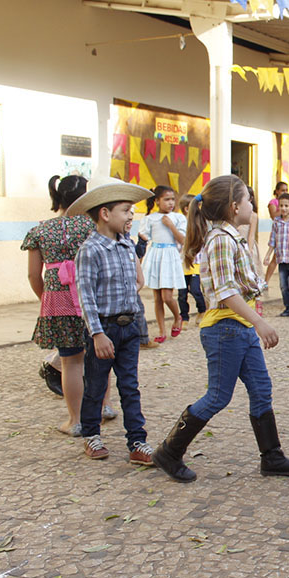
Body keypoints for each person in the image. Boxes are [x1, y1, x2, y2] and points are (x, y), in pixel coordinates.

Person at [151, 175, 289, 483]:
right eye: (249, 200)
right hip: (225, 329)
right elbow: (225, 291)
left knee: (261, 389)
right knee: (218, 396)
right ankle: (169, 451)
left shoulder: (230, 235)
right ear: (236, 207)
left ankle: (272, 457)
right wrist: (261, 322)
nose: (253, 205)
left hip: (240, 327)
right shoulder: (221, 239)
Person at [69, 178, 155, 464]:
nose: (131, 216)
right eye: (126, 210)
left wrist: (137, 322)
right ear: (105, 214)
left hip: (128, 327)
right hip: (103, 330)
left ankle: (137, 441)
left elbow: (133, 285)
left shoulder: (127, 246)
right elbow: (86, 297)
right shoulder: (90, 250)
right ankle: (91, 435)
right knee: (95, 385)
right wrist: (96, 334)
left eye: (132, 211)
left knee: (130, 385)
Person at [22, 175, 94, 436]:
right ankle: (104, 407)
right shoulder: (92, 226)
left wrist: (47, 297)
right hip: (90, 298)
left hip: (57, 302)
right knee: (98, 356)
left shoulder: (40, 230)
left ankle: (75, 421)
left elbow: (33, 274)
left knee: (71, 362)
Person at [139, 185, 185, 343]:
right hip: (155, 255)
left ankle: (178, 317)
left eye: (173, 199)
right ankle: (161, 330)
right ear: (157, 201)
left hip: (169, 256)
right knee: (157, 297)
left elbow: (183, 240)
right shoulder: (149, 219)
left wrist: (171, 225)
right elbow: (144, 238)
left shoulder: (178, 218)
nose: (171, 202)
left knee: (167, 296)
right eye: (166, 199)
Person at [176, 193, 206, 328]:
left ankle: (202, 309)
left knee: (195, 290)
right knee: (182, 294)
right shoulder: (179, 223)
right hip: (182, 263)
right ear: (187, 209)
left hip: (196, 262)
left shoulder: (201, 223)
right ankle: (184, 317)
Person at [264, 181, 288, 282]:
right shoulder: (273, 203)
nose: (285, 192)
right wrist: (284, 207)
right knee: (275, 258)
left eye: (286, 190)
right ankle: (266, 281)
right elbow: (274, 216)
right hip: (279, 231)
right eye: (283, 190)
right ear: (277, 191)